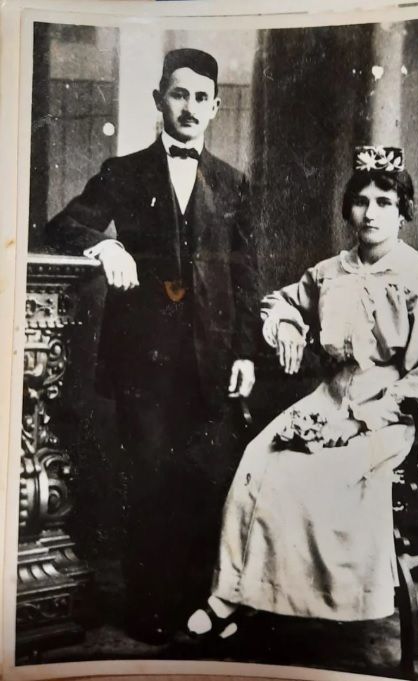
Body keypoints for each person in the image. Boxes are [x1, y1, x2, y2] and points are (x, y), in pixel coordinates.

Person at [186, 146, 418, 639]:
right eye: (361, 201)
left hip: (394, 413)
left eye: (385, 202)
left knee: (312, 471)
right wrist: (288, 326)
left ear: (403, 211)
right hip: (329, 398)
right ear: (348, 208)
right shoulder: (331, 271)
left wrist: (360, 421)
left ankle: (305, 601)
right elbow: (281, 302)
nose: (371, 213)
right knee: (258, 458)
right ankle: (233, 595)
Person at [45, 48, 260, 641]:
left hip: (212, 358)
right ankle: (150, 613)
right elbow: (61, 225)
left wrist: (245, 353)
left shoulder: (233, 183)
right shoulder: (123, 171)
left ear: (215, 107)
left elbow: (247, 275)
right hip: (144, 359)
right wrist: (105, 245)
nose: (189, 107)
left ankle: (199, 606)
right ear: (158, 99)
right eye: (178, 94)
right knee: (147, 479)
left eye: (200, 97)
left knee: (203, 480)